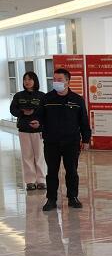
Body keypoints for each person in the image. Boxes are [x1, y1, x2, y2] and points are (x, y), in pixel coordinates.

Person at [35, 68, 90, 212]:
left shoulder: (77, 100)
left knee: (71, 171)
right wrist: (37, 123)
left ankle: (73, 197)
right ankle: (51, 199)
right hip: (51, 142)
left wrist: (86, 139)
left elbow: (84, 121)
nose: (56, 82)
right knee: (52, 171)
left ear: (67, 81)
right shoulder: (46, 99)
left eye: (59, 79)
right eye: (54, 79)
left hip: (71, 142)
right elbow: (39, 117)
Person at [9, 71, 46, 191]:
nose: (27, 82)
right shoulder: (18, 96)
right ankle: (30, 181)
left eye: (30, 79)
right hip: (24, 129)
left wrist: (40, 122)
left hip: (38, 130)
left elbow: (46, 112)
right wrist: (22, 112)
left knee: (39, 155)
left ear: (35, 81)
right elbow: (13, 110)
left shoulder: (42, 96)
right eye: (25, 79)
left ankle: (41, 180)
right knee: (27, 155)